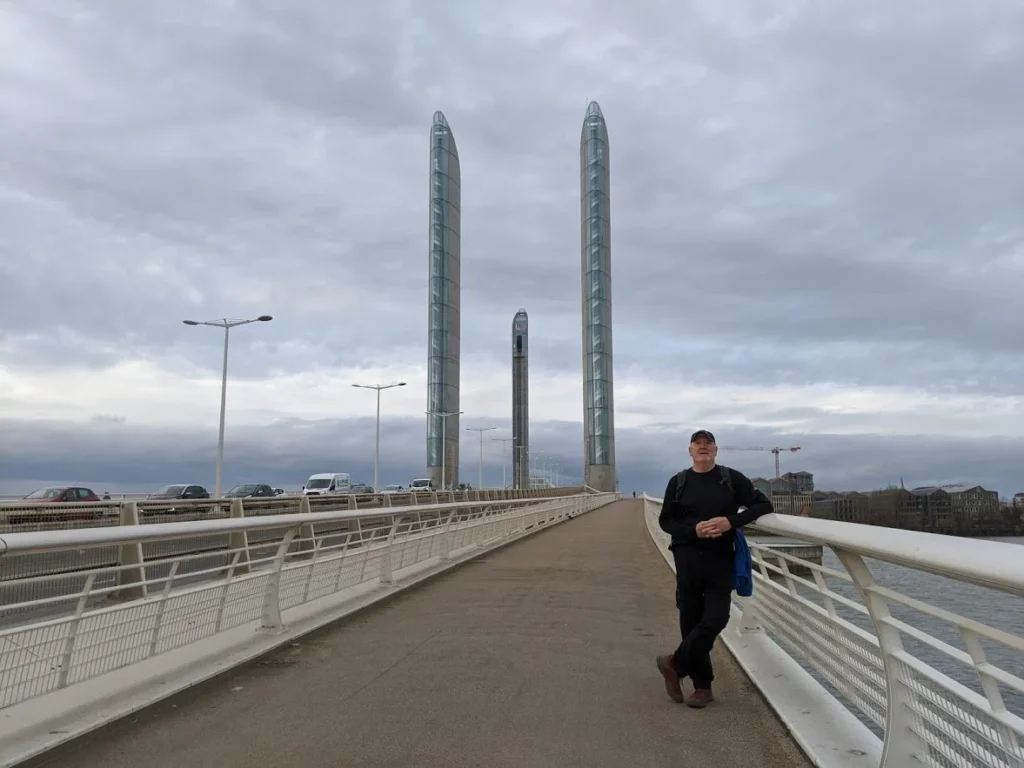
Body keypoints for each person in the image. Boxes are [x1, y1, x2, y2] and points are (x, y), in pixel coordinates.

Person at [655, 429, 773, 708]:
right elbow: (666, 522)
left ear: (716, 450)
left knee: (717, 618)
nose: (703, 447)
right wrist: (694, 530)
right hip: (687, 558)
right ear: (690, 450)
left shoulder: (731, 479)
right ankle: (702, 687)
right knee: (691, 620)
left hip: (721, 558)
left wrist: (731, 521)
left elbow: (763, 505)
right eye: (698, 444)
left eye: (708, 444)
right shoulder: (679, 482)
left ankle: (674, 662)